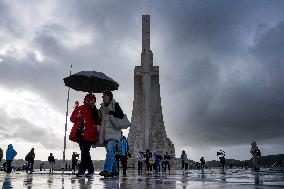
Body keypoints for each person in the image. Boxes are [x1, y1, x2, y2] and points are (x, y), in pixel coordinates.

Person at [69, 93, 98, 177]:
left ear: (94, 101)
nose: (88, 101)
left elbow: (97, 120)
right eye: (87, 99)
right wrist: (77, 116)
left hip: (90, 133)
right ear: (85, 100)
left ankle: (82, 170)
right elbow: (72, 119)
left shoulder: (94, 110)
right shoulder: (80, 108)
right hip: (79, 133)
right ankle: (91, 170)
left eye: (91, 100)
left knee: (84, 151)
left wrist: (93, 108)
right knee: (85, 152)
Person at [98, 90, 124, 177]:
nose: (102, 97)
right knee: (110, 151)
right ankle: (114, 170)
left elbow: (121, 115)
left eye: (104, 95)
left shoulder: (114, 104)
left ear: (109, 96)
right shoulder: (102, 108)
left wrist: (110, 112)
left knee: (110, 150)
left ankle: (107, 169)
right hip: (104, 133)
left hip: (113, 132)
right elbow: (99, 119)